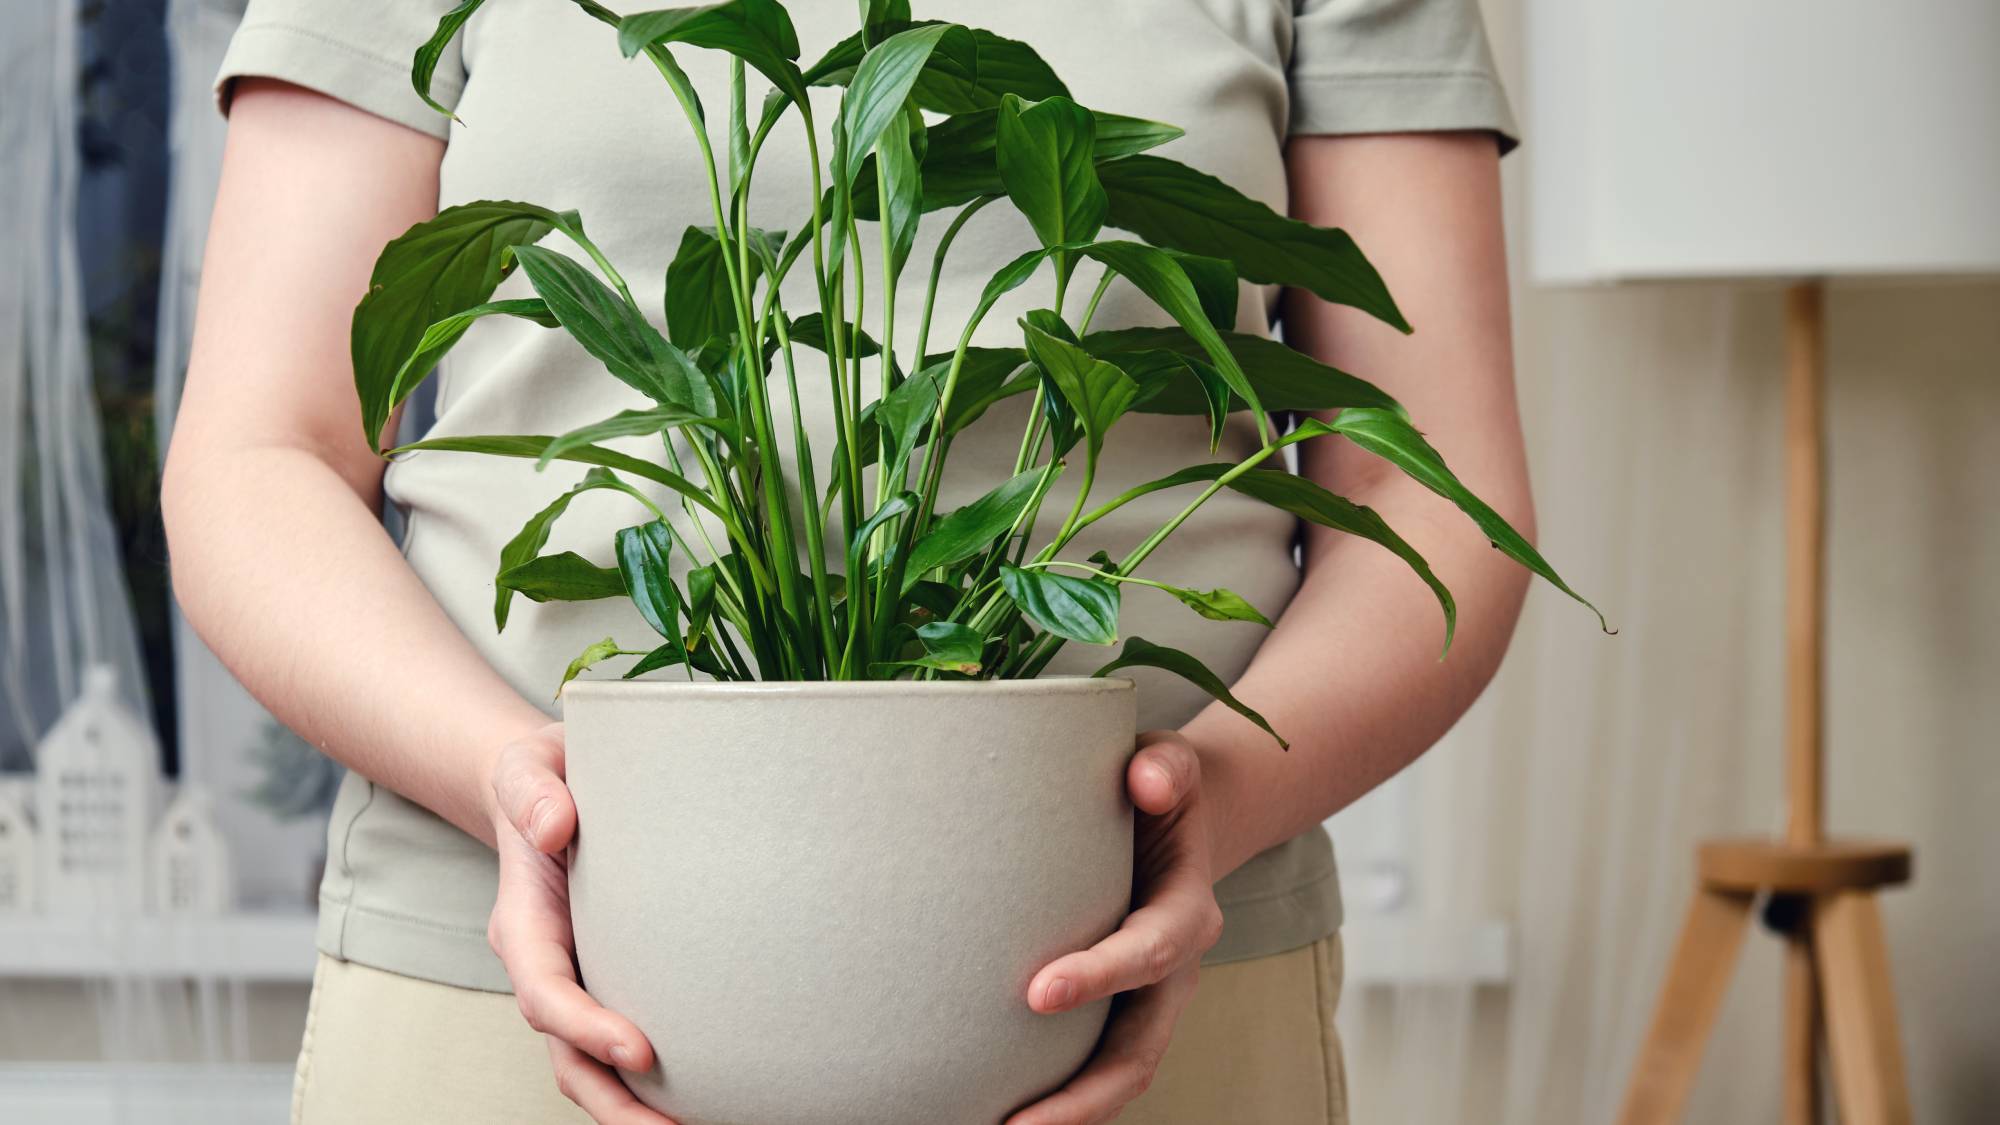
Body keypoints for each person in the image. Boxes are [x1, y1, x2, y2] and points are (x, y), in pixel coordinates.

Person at [162, 1, 1531, 1122]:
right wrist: (512, 788)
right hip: (531, 985)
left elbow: (1426, 490)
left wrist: (1207, 805)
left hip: (1129, 995)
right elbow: (258, 459)